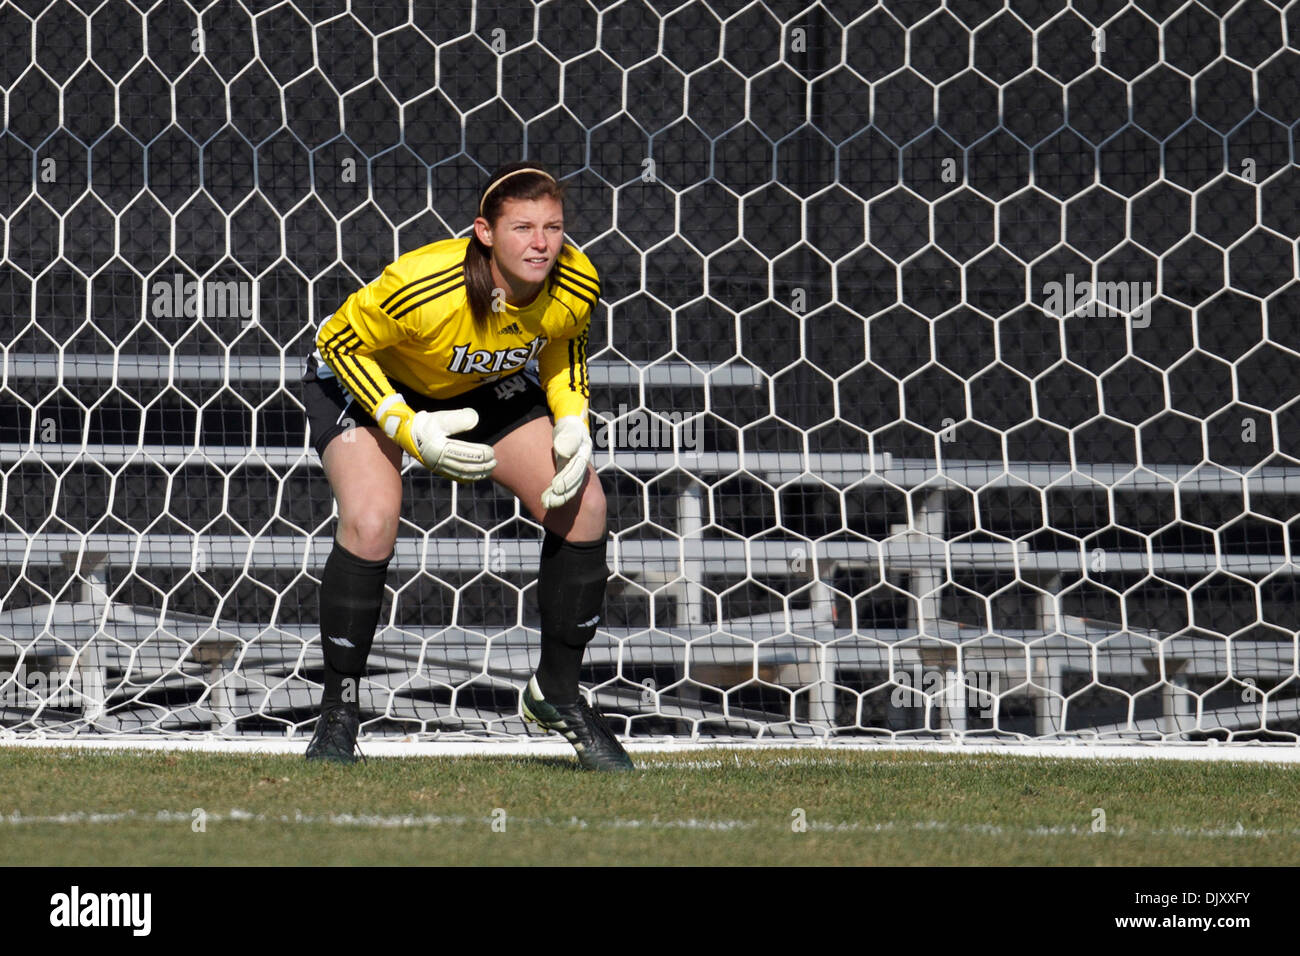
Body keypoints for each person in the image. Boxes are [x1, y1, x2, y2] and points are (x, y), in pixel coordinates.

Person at [299, 162, 633, 771]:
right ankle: (339, 712)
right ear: (484, 231)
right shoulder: (424, 284)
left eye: (553, 227)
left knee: (584, 507)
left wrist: (571, 418)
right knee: (372, 521)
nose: (541, 243)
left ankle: (557, 694)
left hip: (479, 384)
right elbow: (338, 344)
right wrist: (407, 427)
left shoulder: (576, 279)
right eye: (523, 227)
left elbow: (563, 342)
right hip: (370, 382)